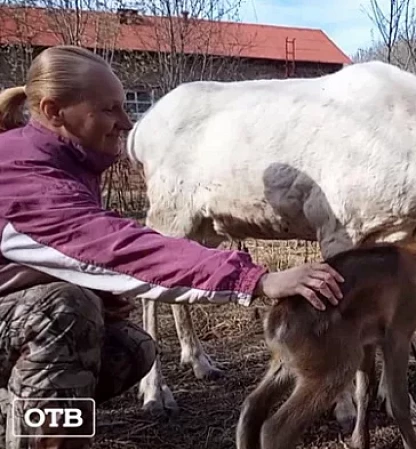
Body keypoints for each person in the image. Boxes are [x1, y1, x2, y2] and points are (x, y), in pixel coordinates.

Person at [0, 45, 344, 449]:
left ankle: (17, 412)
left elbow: (55, 251)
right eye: (109, 109)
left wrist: (100, 293)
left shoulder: (62, 161)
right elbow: (112, 246)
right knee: (64, 311)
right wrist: (257, 279)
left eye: (125, 105)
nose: (127, 122)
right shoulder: (21, 174)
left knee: (128, 347)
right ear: (55, 112)